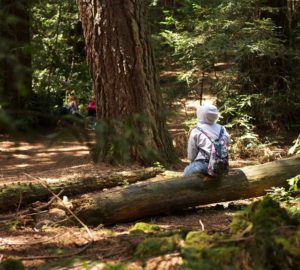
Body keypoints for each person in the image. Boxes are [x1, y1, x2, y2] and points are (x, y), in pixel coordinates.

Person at [183, 104, 230, 177]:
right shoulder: (222, 129)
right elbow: (227, 142)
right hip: (222, 165)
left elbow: (191, 155)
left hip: (204, 165)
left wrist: (192, 161)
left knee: (186, 172)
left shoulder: (196, 130)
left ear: (201, 115)